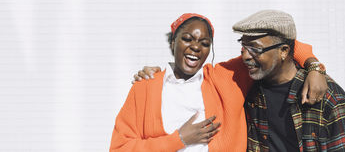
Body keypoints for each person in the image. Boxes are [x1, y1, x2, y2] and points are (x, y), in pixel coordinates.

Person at [110, 13, 326, 152]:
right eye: (187, 39)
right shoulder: (146, 86)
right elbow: (119, 148)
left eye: (204, 43)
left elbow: (284, 43)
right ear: (173, 41)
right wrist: (179, 139)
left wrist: (314, 66)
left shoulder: (225, 77)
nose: (195, 47)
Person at [232, 10, 345, 151]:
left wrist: (315, 68)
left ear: (284, 51)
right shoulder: (250, 89)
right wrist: (314, 64)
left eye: (255, 49)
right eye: (243, 47)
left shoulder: (328, 97)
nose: (245, 56)